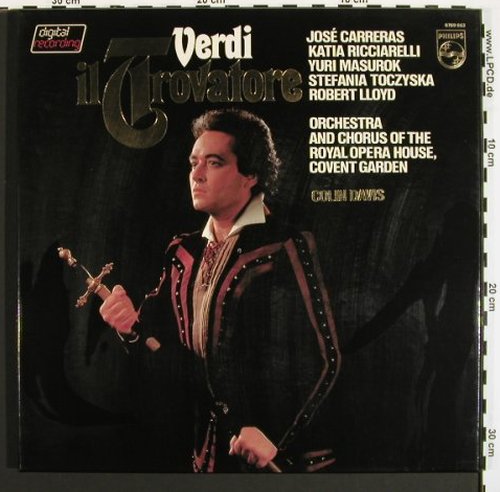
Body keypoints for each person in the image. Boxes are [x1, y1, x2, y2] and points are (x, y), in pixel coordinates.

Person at [99, 108, 341, 472]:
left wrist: (273, 436)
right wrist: (129, 327)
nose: (196, 174)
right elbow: (164, 351)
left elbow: (326, 359)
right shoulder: (183, 251)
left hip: (282, 463)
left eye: (214, 163)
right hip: (208, 458)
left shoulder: (287, 245)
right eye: (193, 162)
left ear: (251, 174)